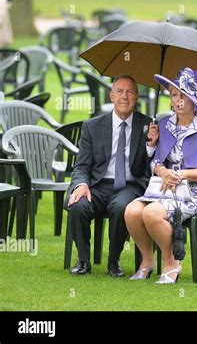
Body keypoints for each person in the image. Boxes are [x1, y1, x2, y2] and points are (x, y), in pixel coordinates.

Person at [125, 67, 197, 284]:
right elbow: (156, 161)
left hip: (192, 193)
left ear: (194, 100)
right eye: (173, 95)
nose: (177, 101)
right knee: (131, 212)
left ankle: (171, 263)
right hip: (162, 187)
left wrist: (181, 174)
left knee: (150, 214)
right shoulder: (165, 124)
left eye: (183, 96)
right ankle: (147, 261)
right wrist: (162, 170)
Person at [67, 74, 158, 277]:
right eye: (119, 91)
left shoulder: (148, 126)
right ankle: (83, 260)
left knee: (120, 207)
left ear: (136, 96)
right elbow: (81, 165)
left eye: (130, 92)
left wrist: (151, 147)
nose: (124, 96)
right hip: (98, 185)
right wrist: (81, 184)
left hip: (130, 185)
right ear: (111, 96)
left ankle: (113, 261)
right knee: (78, 205)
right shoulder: (92, 126)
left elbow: (150, 168)